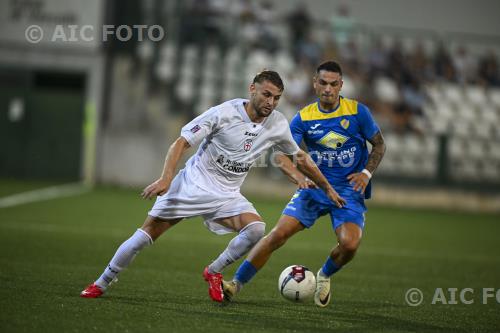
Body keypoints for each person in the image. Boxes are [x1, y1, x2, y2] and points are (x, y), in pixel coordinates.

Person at [80, 70, 345, 302]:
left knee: (256, 229)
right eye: (266, 94)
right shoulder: (223, 113)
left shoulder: (277, 124)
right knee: (143, 236)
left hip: (227, 196)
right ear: (252, 89)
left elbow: (300, 158)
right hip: (191, 186)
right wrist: (166, 178)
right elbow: (180, 143)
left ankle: (214, 271)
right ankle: (101, 282)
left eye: (276, 98)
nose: (270, 102)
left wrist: (326, 187)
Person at [223, 61, 386, 307]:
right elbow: (281, 156)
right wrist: (299, 177)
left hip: (348, 191)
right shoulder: (304, 118)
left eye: (333, 84)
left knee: (350, 244)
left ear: (341, 85)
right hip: (314, 189)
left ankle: (325, 274)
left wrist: (366, 173)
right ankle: (235, 284)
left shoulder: (357, 112)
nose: (328, 89)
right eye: (323, 83)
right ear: (315, 83)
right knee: (277, 235)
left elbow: (379, 144)